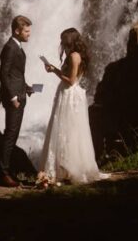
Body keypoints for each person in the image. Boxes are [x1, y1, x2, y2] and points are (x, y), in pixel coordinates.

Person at [39, 27, 101, 183]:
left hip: (70, 95)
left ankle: (70, 169)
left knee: (68, 130)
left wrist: (54, 70)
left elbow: (71, 80)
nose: (62, 45)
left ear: (70, 42)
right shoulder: (73, 55)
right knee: (64, 130)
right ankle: (63, 168)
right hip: (66, 93)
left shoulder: (74, 56)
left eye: (64, 42)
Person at [0, 14, 41, 187]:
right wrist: (13, 97)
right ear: (17, 31)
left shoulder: (17, 46)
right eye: (27, 31)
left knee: (13, 135)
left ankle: (8, 171)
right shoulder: (10, 47)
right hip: (14, 98)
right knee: (10, 135)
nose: (29, 34)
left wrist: (27, 88)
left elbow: (15, 74)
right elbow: (3, 75)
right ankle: (3, 174)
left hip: (19, 94)